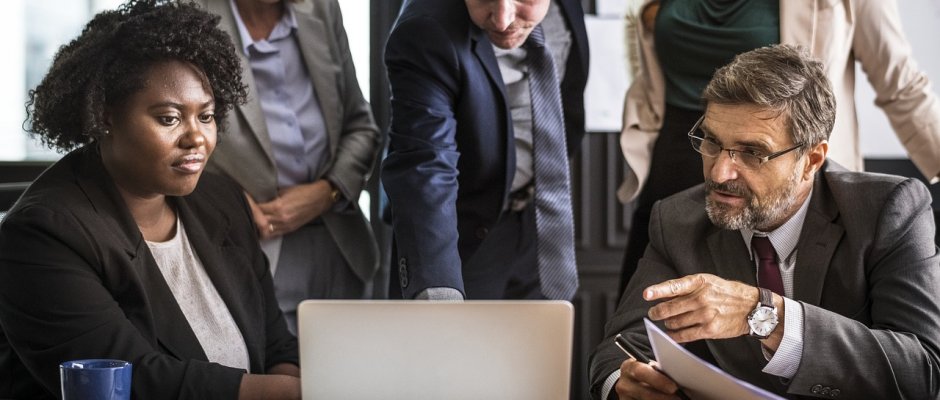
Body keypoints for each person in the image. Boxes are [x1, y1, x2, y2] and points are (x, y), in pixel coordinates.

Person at [590, 44, 940, 400]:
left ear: (811, 160)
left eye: (753, 153)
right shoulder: (677, 219)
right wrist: (624, 383)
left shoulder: (886, 210)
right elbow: (621, 346)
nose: (720, 173)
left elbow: (924, 372)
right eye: (712, 142)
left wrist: (764, 315)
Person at [0, 1, 301, 398]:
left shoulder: (222, 200)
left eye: (206, 116)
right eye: (169, 118)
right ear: (105, 116)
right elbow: (130, 380)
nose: (196, 138)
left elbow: (276, 345)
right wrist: (295, 394)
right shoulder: (42, 234)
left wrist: (296, 386)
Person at [617, 0, 940, 294]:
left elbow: (903, 86)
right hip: (677, 159)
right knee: (648, 315)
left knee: (782, 316)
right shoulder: (669, 214)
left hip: (779, 167)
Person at [382, 0, 589, 301]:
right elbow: (425, 165)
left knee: (546, 331)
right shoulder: (425, 29)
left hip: (542, 224)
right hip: (460, 236)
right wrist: (438, 292)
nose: (503, 20)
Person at [197, 0, 381, 331]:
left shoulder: (321, 8)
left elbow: (361, 127)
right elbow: (172, 143)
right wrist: (231, 201)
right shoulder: (192, 15)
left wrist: (328, 192)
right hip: (250, 246)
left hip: (342, 244)